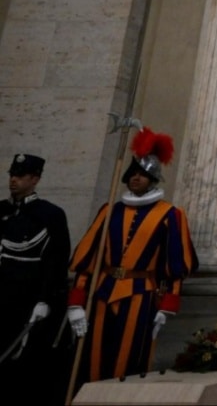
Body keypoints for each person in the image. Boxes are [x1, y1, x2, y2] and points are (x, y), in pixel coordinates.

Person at [66, 128, 197, 384]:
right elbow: (88, 261)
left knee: (129, 360)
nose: (136, 178)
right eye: (132, 174)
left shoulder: (171, 215)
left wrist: (168, 306)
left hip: (141, 294)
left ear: (153, 178)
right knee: (92, 357)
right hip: (102, 292)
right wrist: (76, 304)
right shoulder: (110, 211)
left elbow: (175, 265)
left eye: (142, 174)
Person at [1, 153, 71, 404]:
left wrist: (45, 299)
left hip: (29, 299)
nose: (13, 180)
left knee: (23, 363)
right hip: (2, 297)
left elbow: (57, 261)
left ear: (35, 179)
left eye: (20, 176)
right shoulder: (2, 210)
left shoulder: (50, 214)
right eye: (12, 175)